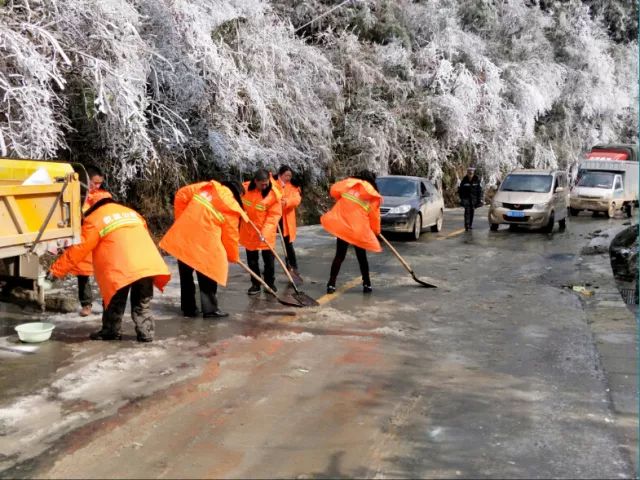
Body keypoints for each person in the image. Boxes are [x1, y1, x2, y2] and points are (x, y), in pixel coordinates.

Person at [47, 197, 171, 342]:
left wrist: (56, 271)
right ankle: (146, 334)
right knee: (142, 304)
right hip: (147, 263)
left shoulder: (94, 219)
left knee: (114, 301)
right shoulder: (132, 213)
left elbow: (79, 249)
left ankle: (111, 331)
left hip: (120, 267)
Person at [159, 179, 248, 318]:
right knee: (208, 274)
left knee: (186, 276)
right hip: (205, 243)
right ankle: (210, 309)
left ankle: (188, 309)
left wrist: (182, 219)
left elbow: (181, 194)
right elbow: (230, 236)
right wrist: (233, 256)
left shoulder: (205, 188)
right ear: (237, 194)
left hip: (184, 237)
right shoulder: (231, 206)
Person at [320, 170, 382, 294]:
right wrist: (375, 231)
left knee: (339, 255)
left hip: (343, 227)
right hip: (358, 230)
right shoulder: (371, 194)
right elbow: (374, 216)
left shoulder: (349, 186)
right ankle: (367, 284)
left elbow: (334, 191)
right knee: (362, 257)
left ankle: (331, 284)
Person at [72, 165, 113, 317]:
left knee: (105, 272)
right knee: (82, 274)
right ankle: (86, 305)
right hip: (83, 239)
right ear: (86, 179)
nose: (97, 186)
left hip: (100, 238)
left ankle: (107, 302)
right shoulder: (75, 195)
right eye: (94, 183)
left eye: (99, 183)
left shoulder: (103, 196)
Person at [239, 169, 283, 295]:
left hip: (266, 232)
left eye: (266, 183)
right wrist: (241, 211)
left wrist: (265, 233)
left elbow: (273, 217)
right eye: (262, 184)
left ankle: (270, 283)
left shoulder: (273, 195)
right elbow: (237, 202)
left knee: (269, 260)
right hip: (249, 230)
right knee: (252, 260)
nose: (265, 186)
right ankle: (256, 284)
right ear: (255, 181)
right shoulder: (245, 189)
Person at [274, 165, 302, 277]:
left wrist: (287, 201)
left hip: (285, 218)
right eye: (286, 175)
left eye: (290, 175)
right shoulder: (273, 184)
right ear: (280, 174)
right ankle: (268, 267)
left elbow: (296, 199)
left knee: (288, 244)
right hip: (274, 217)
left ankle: (292, 266)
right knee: (269, 244)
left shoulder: (293, 186)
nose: (288, 177)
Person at [458, 166, 483, 231]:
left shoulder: (477, 179)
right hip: (466, 199)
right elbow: (460, 190)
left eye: (472, 172)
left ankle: (470, 225)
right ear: (467, 172)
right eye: (469, 172)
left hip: (474, 199)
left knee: (472, 212)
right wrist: (461, 198)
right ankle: (467, 225)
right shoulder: (464, 180)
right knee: (467, 212)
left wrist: (479, 199)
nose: (470, 173)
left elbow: (479, 190)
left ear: (473, 173)